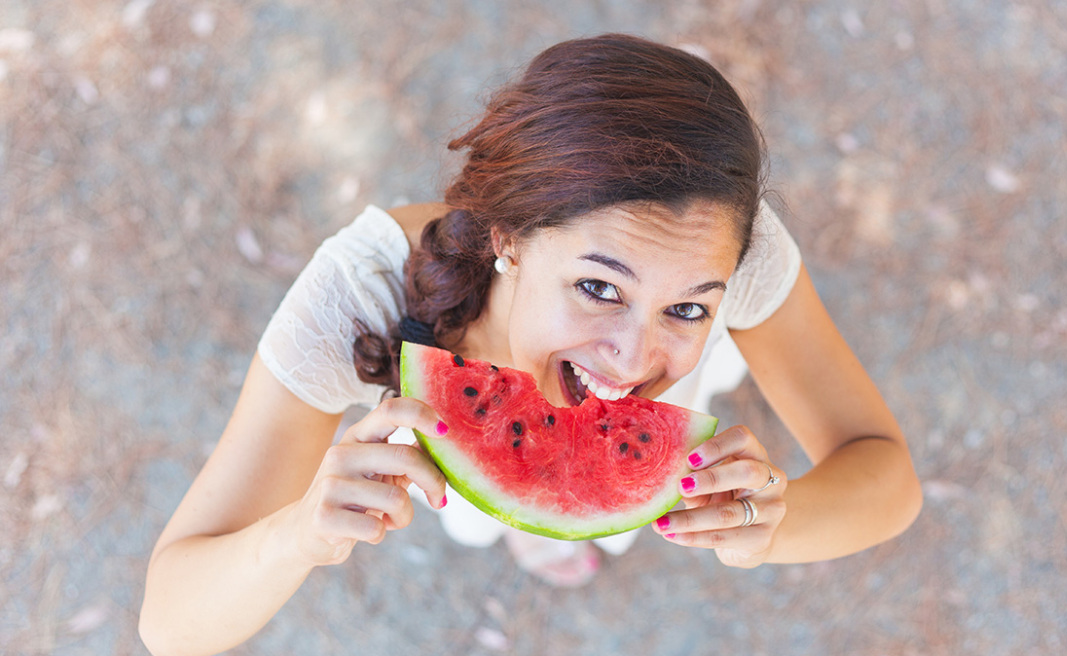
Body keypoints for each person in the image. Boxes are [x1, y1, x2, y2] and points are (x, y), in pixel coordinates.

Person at [139, 33, 921, 656]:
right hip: (458, 471)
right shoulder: (359, 293)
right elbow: (169, 623)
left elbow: (885, 475)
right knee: (481, 514)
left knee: (616, 482)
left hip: (657, 436)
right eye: (598, 289)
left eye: (687, 309)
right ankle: (531, 539)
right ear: (506, 237)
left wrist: (773, 525)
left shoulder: (729, 250)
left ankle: (559, 535)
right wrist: (298, 532)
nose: (632, 357)